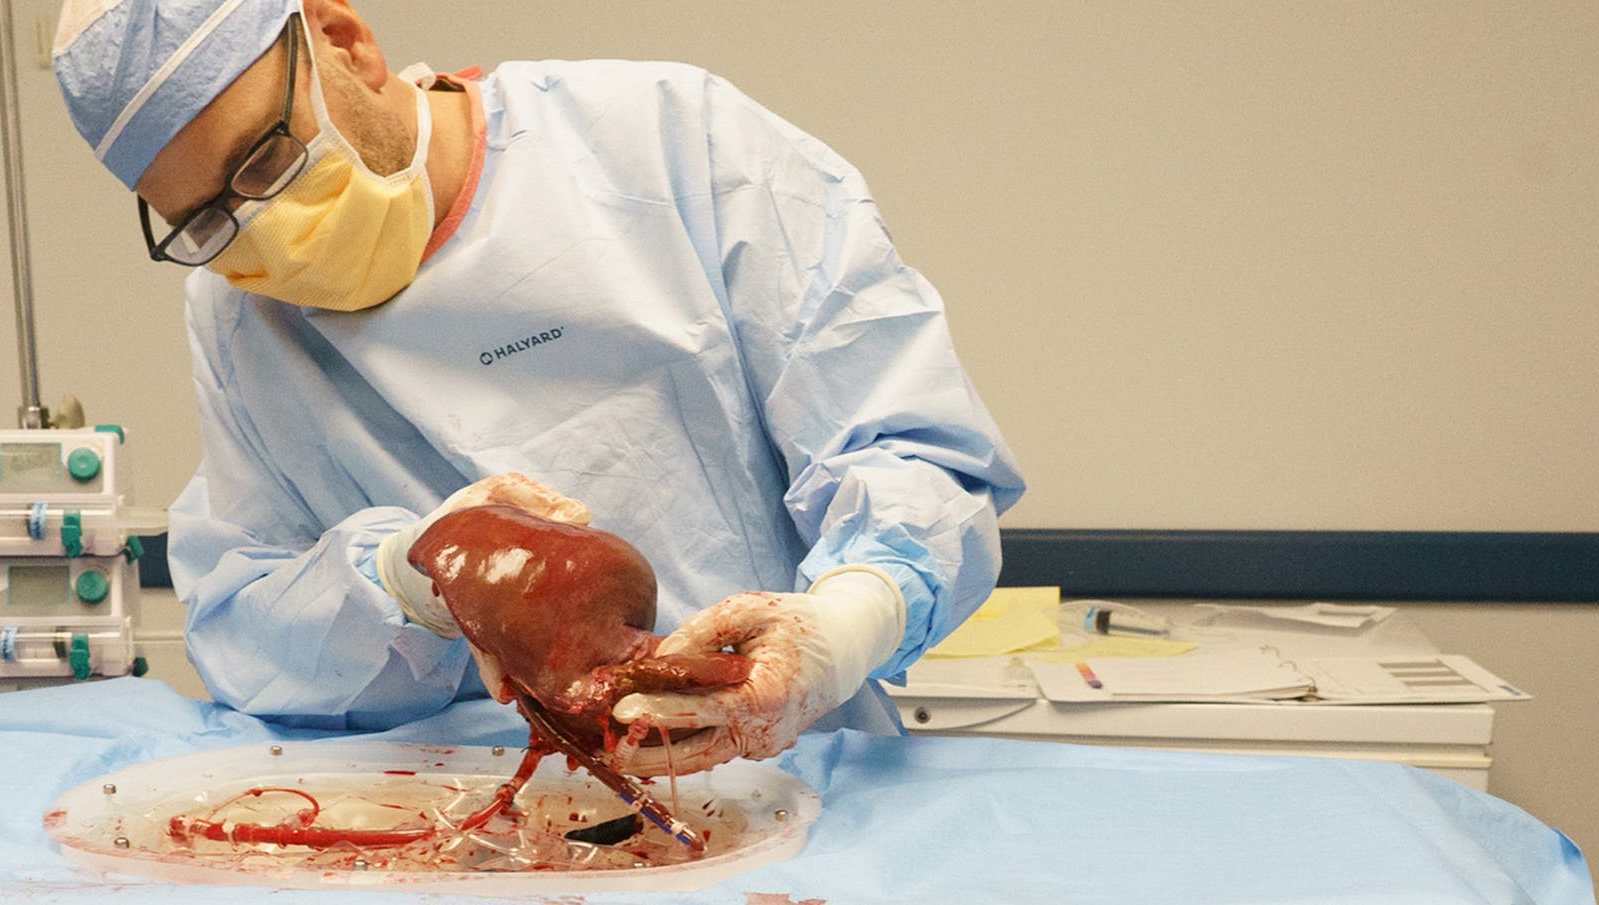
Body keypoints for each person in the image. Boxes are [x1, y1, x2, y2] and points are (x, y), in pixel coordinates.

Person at [51, 0, 1024, 775]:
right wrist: (403, 578)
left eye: (266, 160)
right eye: (206, 221)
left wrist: (838, 633)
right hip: (471, 823)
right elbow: (245, 628)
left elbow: (915, 459)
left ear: (344, 41)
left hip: (792, 781)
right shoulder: (238, 322)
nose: (258, 232)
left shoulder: (670, 145)